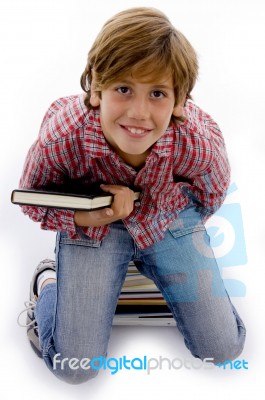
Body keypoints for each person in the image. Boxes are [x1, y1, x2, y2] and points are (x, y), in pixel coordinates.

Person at [17, 7, 246, 384]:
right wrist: (88, 218)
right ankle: (49, 283)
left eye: (157, 93)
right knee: (75, 367)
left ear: (179, 104)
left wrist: (175, 239)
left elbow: (211, 193)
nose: (139, 112)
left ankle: (147, 267)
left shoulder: (197, 144)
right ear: (96, 89)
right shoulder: (62, 137)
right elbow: (31, 197)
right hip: (94, 227)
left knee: (224, 347)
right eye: (123, 89)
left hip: (168, 217)